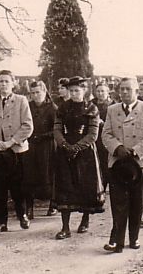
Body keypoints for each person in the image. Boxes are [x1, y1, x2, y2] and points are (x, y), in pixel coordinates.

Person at [102, 77, 143, 253]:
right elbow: (106, 134)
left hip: (139, 164)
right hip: (118, 163)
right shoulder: (112, 110)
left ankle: (134, 237)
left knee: (136, 203)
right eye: (122, 89)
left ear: (137, 91)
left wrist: (135, 150)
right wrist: (117, 148)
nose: (125, 92)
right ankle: (117, 241)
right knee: (118, 202)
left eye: (128, 89)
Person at [53, 76, 105, 239]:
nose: (74, 93)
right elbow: (57, 129)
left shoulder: (92, 109)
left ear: (84, 91)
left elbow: (93, 134)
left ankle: (85, 220)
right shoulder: (62, 108)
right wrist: (65, 145)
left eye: (77, 90)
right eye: (71, 91)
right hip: (65, 151)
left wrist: (77, 147)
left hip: (85, 153)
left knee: (85, 185)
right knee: (65, 186)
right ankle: (65, 227)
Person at [0, 70, 33, 233]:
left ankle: (22, 215)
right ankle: (0, 221)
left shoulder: (21, 100)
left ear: (13, 83)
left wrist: (11, 142)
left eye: (6, 81)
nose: (3, 84)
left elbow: (27, 125)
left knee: (18, 186)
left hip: (16, 150)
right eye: (0, 81)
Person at [25, 80, 58, 218]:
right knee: (29, 175)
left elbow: (57, 129)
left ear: (44, 92)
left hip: (47, 146)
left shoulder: (52, 108)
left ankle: (53, 204)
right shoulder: (27, 106)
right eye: (32, 93)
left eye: (38, 92)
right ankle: (29, 207)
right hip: (31, 145)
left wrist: (43, 136)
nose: (35, 95)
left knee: (49, 174)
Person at [91, 82, 114, 190]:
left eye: (102, 91)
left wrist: (102, 123)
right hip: (93, 137)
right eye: (98, 91)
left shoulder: (113, 105)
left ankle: (105, 186)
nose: (100, 94)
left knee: (105, 163)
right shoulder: (91, 105)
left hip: (106, 138)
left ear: (108, 92)